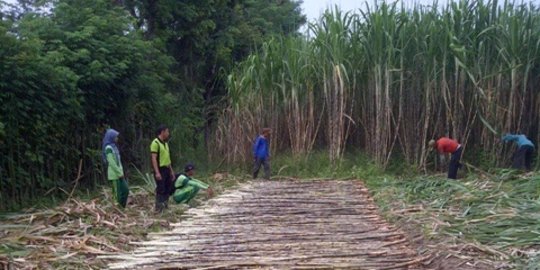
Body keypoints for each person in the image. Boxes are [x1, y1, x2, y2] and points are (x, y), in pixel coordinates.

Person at [102, 128, 129, 208]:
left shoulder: (114, 147)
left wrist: (121, 172)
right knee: (117, 193)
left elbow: (118, 161)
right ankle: (117, 209)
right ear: (111, 137)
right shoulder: (108, 148)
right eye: (115, 137)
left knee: (125, 190)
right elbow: (112, 162)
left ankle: (122, 207)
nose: (117, 138)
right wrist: (119, 173)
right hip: (114, 174)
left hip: (120, 173)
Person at [150, 125, 175, 213]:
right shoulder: (155, 143)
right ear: (162, 132)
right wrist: (157, 172)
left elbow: (168, 159)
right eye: (167, 131)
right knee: (161, 189)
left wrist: (171, 171)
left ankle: (165, 205)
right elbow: (154, 158)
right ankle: (159, 208)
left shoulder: (166, 144)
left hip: (167, 168)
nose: (168, 134)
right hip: (160, 169)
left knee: (168, 188)